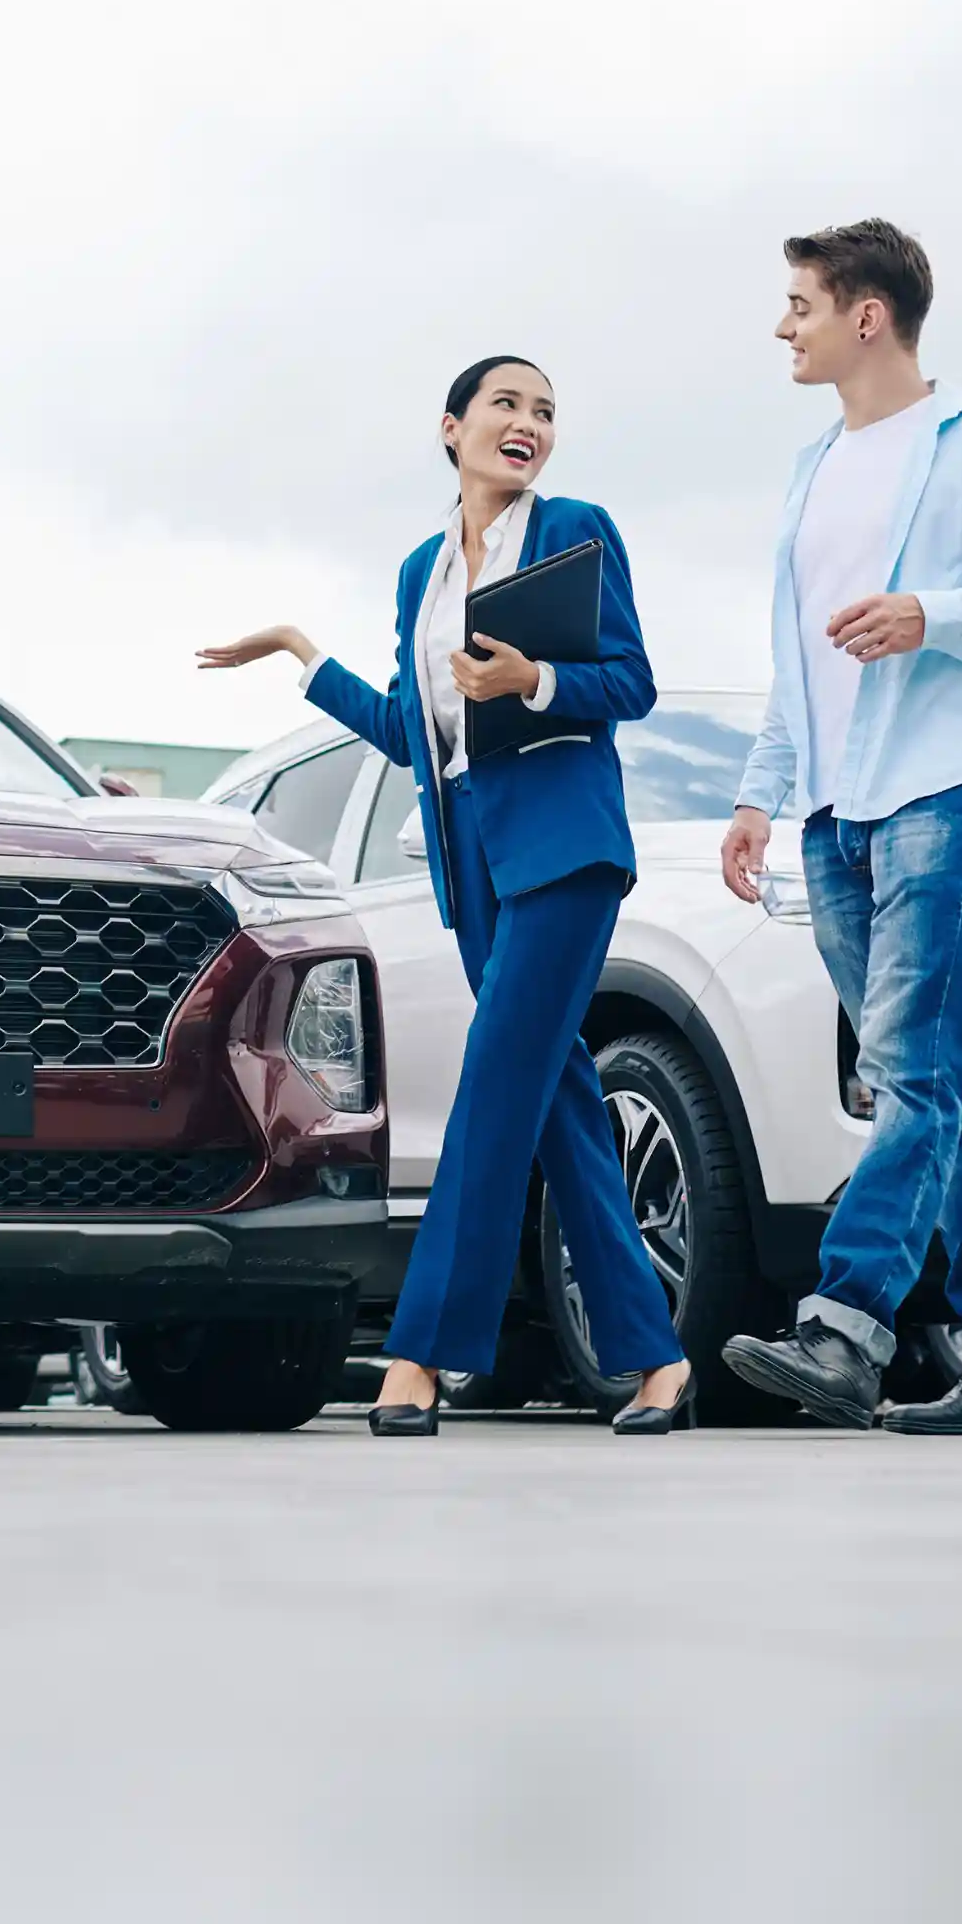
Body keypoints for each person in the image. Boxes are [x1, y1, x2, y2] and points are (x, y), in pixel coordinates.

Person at [200, 356, 692, 1438]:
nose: (529, 424)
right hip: (471, 862)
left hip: (562, 845)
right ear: (451, 427)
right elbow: (411, 734)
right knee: (558, 1107)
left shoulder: (575, 529)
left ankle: (421, 1354)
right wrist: (302, 654)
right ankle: (656, 1360)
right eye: (506, 404)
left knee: (496, 1085)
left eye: (545, 411)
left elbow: (632, 681)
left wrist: (532, 681)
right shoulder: (420, 571)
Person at [714, 220, 962, 1435]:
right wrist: (760, 793)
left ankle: (845, 1326)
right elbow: (799, 658)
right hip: (835, 814)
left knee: (913, 1069)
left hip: (949, 790)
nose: (783, 327)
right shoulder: (812, 469)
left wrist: (934, 615)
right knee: (935, 1079)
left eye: (800, 305)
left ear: (866, 315)